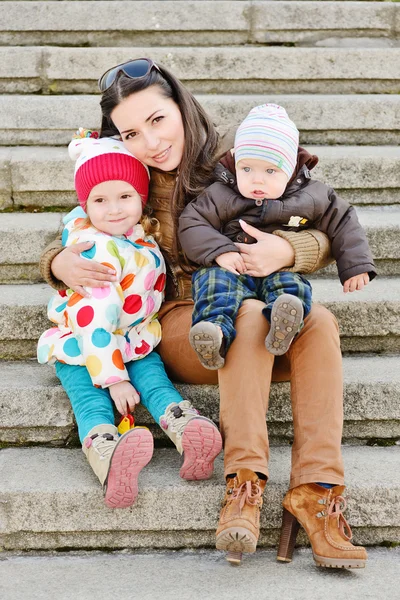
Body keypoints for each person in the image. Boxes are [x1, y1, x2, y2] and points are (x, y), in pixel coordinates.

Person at [39, 58, 368, 568]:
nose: (149, 141)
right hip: (180, 322)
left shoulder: (236, 161)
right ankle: (243, 486)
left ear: (182, 108)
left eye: (157, 120)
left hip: (259, 310)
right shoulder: (124, 175)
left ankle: (317, 492)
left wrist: (291, 251)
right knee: (255, 318)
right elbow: (78, 226)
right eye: (130, 132)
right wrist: (57, 262)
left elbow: (317, 213)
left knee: (319, 320)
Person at [38, 130, 222, 510]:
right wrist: (116, 378)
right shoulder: (96, 249)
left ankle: (189, 432)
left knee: (155, 383)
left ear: (141, 200)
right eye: (100, 200)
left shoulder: (140, 239)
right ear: (85, 205)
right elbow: (91, 319)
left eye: (125, 197)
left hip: (133, 338)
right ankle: (108, 452)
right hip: (84, 346)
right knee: (91, 400)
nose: (114, 208)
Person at [179, 104, 376, 368]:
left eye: (270, 171)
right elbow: (192, 222)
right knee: (213, 286)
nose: (256, 180)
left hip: (279, 269)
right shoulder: (221, 193)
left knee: (291, 288)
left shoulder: (312, 196)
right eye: (247, 169)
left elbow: (344, 221)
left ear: (292, 168)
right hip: (232, 269)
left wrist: (355, 266)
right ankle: (214, 333)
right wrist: (219, 251)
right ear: (235, 163)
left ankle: (283, 323)